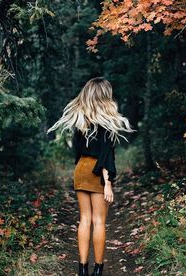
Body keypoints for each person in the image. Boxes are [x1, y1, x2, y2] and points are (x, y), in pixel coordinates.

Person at [47, 77, 136, 276]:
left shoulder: (80, 121)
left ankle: (82, 269)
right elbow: (106, 155)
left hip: (81, 170)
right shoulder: (106, 123)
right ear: (104, 95)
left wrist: (82, 169)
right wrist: (108, 183)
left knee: (84, 219)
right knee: (99, 221)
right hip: (98, 172)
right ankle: (98, 270)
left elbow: (77, 153)